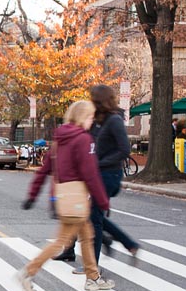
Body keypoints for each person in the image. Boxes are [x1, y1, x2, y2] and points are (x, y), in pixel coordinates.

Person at [18, 100, 114, 291]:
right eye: (89, 117)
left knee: (87, 236)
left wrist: (32, 195)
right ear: (81, 117)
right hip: (76, 200)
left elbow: (44, 170)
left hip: (63, 197)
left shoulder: (59, 139)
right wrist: (103, 201)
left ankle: (93, 277)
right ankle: (28, 272)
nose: (91, 121)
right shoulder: (84, 140)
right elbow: (91, 174)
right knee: (61, 241)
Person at [53, 85, 139, 266]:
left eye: (93, 99)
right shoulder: (96, 120)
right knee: (83, 213)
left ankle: (92, 266)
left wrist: (97, 163)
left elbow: (124, 150)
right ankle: (123, 243)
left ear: (100, 101)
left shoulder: (114, 120)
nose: (90, 102)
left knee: (93, 218)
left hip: (109, 176)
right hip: (94, 173)